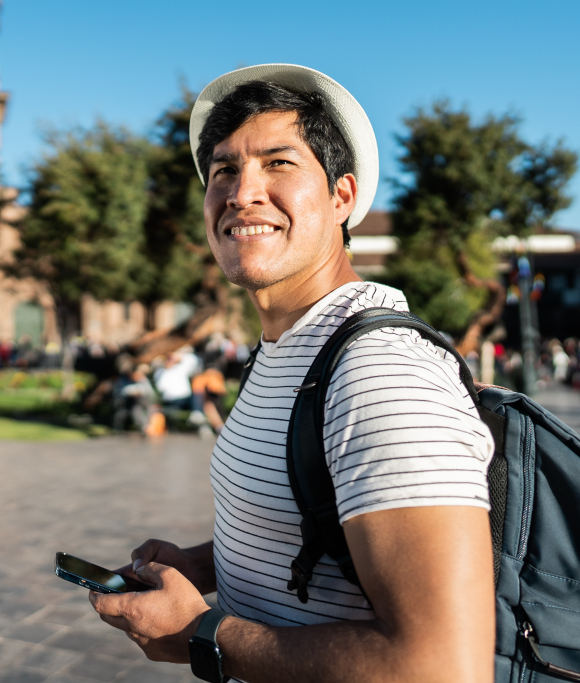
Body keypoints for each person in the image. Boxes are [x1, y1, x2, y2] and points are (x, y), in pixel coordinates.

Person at [89, 65, 495, 683]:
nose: (241, 192)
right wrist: (204, 565)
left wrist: (200, 633)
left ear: (342, 197)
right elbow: (317, 541)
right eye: (224, 170)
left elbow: (440, 667)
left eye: (279, 163)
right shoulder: (291, 349)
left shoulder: (378, 373)